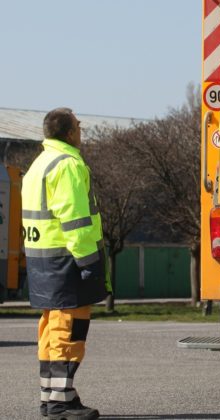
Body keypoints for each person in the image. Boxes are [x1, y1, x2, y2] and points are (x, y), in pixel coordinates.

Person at [22, 107, 111, 420]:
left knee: (50, 330)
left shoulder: (38, 164)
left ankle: (55, 396)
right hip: (67, 260)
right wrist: (89, 261)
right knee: (68, 330)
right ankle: (59, 402)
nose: (81, 131)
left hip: (42, 260)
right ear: (71, 132)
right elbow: (75, 219)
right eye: (79, 126)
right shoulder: (69, 164)